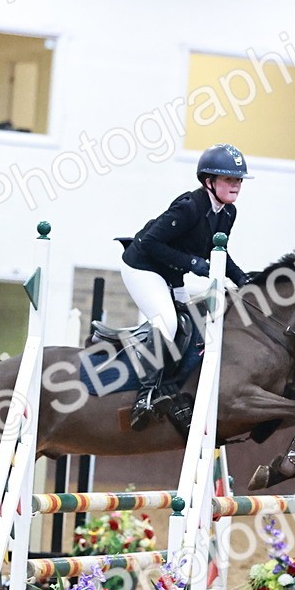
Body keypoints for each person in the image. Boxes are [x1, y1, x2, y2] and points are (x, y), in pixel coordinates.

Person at [119, 143, 253, 431]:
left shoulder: (228, 213)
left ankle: (172, 389)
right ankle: (145, 396)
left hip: (171, 273)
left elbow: (219, 251)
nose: (236, 185)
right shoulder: (190, 206)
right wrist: (193, 263)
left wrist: (242, 278)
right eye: (229, 179)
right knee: (167, 323)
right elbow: (150, 243)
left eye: (238, 179)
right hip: (143, 267)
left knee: (192, 330)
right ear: (209, 181)